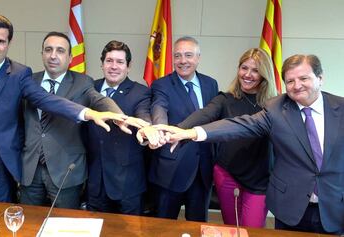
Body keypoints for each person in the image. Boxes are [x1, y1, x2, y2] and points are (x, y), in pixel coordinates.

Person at [0, 14, 137, 202]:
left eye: (0, 41)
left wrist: (92, 114)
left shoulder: (19, 74)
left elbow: (47, 100)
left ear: (8, 43)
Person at [155, 54, 344, 235]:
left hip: (330, 204)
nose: (297, 86)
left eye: (304, 78)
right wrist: (187, 132)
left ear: (320, 78)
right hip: (286, 204)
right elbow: (238, 125)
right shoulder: (276, 108)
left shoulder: (338, 108)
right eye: (290, 81)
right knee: (236, 229)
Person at [19, 33, 132, 208]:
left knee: (66, 225)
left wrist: (118, 116)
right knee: (29, 225)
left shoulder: (82, 82)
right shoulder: (28, 81)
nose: (53, 55)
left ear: (70, 57)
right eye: (48, 50)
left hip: (65, 171)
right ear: (42, 53)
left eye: (60, 51)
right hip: (30, 169)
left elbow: (99, 100)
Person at [178, 48, 277, 227]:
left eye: (255, 70)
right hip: (227, 173)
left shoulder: (274, 104)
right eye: (244, 68)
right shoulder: (225, 99)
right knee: (231, 227)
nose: (247, 75)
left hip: (259, 179)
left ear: (265, 74)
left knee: (251, 230)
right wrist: (178, 130)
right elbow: (204, 114)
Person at [142, 36, 219, 221]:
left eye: (188, 55)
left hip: (203, 170)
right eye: (177, 56)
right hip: (172, 167)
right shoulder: (162, 84)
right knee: (164, 227)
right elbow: (159, 108)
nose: (183, 61)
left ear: (198, 58)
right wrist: (160, 130)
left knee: (198, 225)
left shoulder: (211, 84)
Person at [84, 40, 151, 215]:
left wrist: (145, 129)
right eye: (109, 61)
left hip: (127, 184)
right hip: (95, 181)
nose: (114, 66)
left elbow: (144, 115)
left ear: (128, 66)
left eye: (120, 62)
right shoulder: (89, 87)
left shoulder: (140, 92)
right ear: (102, 64)